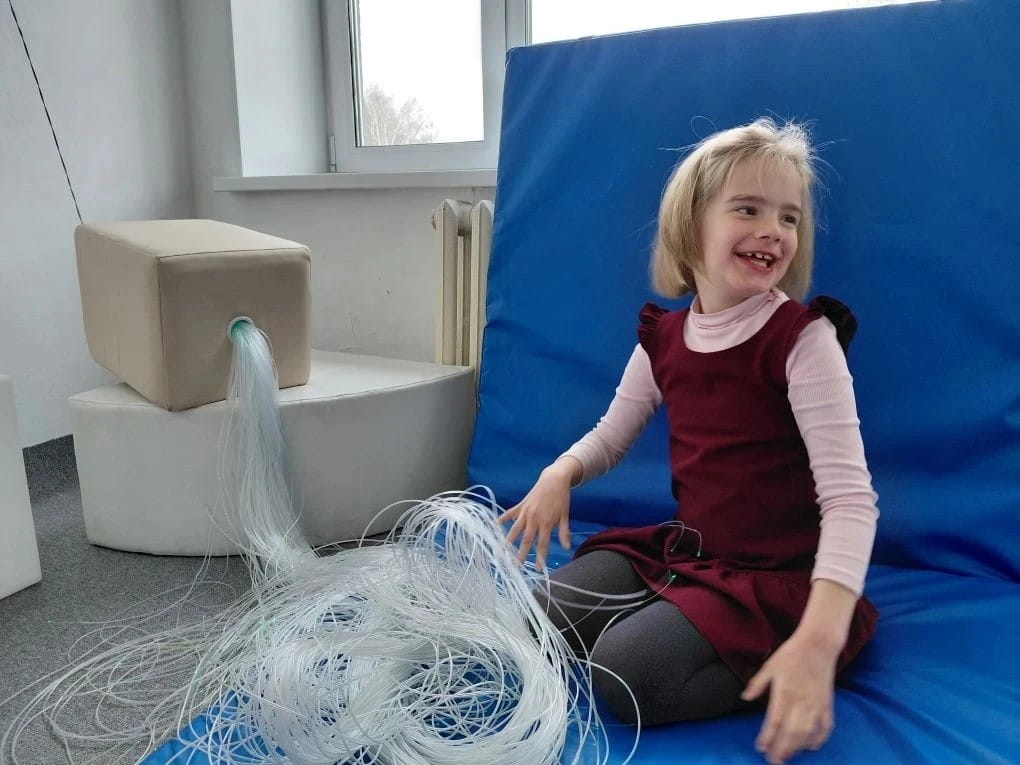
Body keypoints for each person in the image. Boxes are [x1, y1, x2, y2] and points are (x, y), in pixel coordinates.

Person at [499, 118, 879, 765]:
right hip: (687, 554)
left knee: (625, 673)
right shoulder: (666, 339)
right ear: (690, 226)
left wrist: (819, 638)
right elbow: (610, 436)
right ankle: (682, 617)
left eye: (789, 217)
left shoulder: (802, 340)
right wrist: (560, 472)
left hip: (776, 578)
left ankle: (790, 661)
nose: (774, 230)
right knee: (540, 619)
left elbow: (850, 500)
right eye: (748, 209)